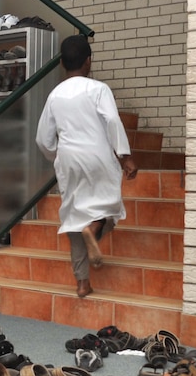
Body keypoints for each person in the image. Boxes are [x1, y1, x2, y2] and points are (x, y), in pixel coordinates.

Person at [35, 35, 138, 298]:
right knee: (108, 206)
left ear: (61, 64)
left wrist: (57, 157)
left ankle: (82, 283)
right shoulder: (98, 89)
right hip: (98, 156)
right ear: (88, 61)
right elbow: (113, 121)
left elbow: (43, 139)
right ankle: (95, 227)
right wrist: (125, 156)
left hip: (68, 159)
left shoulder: (55, 95)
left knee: (73, 218)